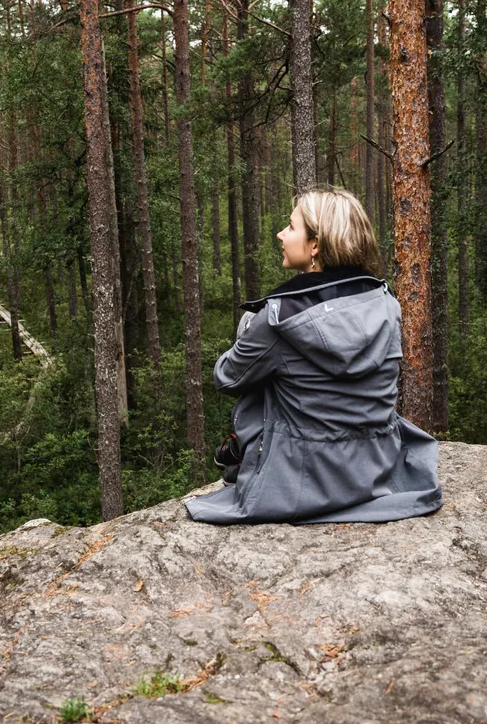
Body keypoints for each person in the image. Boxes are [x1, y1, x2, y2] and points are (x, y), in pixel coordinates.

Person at [184, 187, 444, 524]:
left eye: (291, 228)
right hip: (377, 467)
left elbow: (227, 377)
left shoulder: (277, 319)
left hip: (302, 482)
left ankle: (239, 453)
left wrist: (248, 328)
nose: (280, 234)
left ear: (316, 245)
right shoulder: (385, 302)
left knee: (262, 377)